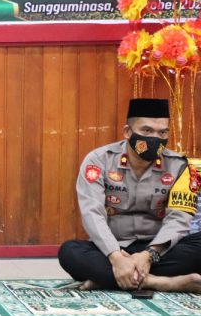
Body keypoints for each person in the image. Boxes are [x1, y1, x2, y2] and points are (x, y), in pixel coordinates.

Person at [58, 98, 201, 292]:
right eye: (147, 131)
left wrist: (148, 256)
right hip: (112, 248)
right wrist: (116, 257)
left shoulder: (179, 166)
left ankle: (113, 280)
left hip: (159, 251)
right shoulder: (98, 161)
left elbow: (178, 219)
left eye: (162, 132)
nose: (155, 138)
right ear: (127, 132)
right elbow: (92, 213)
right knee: (69, 252)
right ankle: (163, 282)